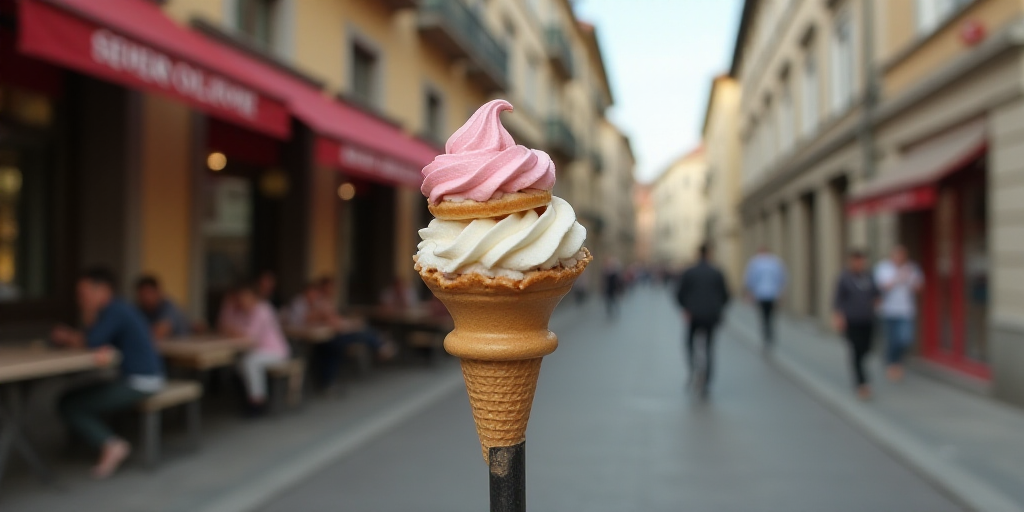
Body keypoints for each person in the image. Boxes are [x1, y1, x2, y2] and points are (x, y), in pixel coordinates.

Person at [50, 267, 165, 478]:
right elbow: (93, 339)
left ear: (102, 290)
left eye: (83, 294)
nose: (80, 300)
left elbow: (91, 341)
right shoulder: (118, 309)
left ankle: (111, 444)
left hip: (140, 381)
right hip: (139, 377)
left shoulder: (115, 311)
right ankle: (93, 443)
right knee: (72, 396)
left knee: (69, 403)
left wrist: (68, 335)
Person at [287, 280, 394, 391]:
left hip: (324, 337)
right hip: (303, 339)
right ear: (306, 292)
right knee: (339, 344)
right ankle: (379, 344)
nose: (314, 296)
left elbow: (332, 320)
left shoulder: (320, 302)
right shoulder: (299, 303)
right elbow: (305, 320)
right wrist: (322, 314)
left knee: (343, 340)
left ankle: (378, 343)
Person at [218, 281, 291, 414]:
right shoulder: (243, 311)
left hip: (274, 351)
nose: (242, 301)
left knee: (249, 363)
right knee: (238, 364)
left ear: (253, 297)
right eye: (240, 298)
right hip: (256, 351)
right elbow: (226, 326)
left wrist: (234, 331)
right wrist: (228, 305)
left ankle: (258, 401)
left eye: (244, 297)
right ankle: (249, 397)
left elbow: (250, 337)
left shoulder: (263, 309)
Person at [675, 244, 730, 397]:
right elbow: (726, 295)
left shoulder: (689, 272)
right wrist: (718, 308)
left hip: (694, 315)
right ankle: (707, 380)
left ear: (698, 254)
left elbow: (679, 293)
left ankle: (694, 369)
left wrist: (686, 308)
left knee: (690, 343)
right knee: (709, 348)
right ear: (710, 254)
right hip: (711, 316)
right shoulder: (717, 272)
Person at [833, 250, 881, 400]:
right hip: (852, 320)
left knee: (867, 349)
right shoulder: (845, 278)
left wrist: (877, 303)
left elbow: (877, 293)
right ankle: (861, 383)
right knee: (856, 350)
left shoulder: (869, 276)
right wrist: (839, 317)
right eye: (857, 261)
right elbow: (838, 299)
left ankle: (862, 378)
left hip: (868, 319)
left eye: (862, 261)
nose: (860, 264)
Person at [874, 245, 923, 382]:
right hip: (888, 311)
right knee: (892, 340)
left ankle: (897, 361)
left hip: (906, 311)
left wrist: (911, 280)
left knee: (905, 339)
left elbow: (918, 287)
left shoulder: (912, 267)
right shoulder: (884, 268)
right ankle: (892, 364)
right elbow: (881, 287)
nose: (899, 258)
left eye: (902, 255)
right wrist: (897, 278)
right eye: (897, 255)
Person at [744, 246, 787, 346]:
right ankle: (770, 333)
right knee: (770, 315)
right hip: (772, 294)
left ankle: (765, 334)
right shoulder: (776, 262)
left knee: (763, 315)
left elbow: (750, 278)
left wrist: (749, 293)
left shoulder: (755, 262)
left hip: (761, 294)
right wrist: (781, 293)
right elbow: (782, 278)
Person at [134, 275, 191, 340]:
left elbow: (159, 332)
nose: (146, 298)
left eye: (149, 293)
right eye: (142, 295)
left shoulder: (169, 308)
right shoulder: (139, 309)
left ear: (158, 292)